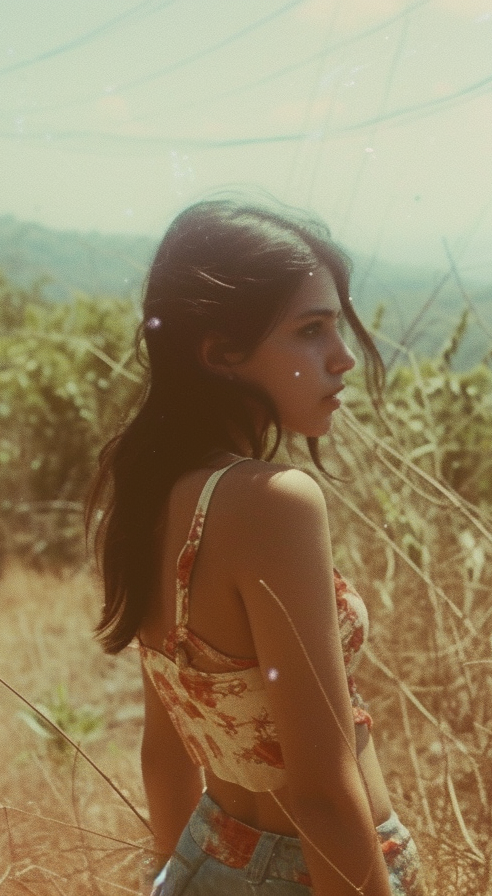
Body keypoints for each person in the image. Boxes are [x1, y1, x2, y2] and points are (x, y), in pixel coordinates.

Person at [87, 196, 423, 896]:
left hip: (204, 859)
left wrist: (168, 875)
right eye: (310, 330)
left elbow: (166, 753)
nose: (343, 359)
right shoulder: (274, 503)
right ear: (221, 354)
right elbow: (324, 798)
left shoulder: (154, 489)